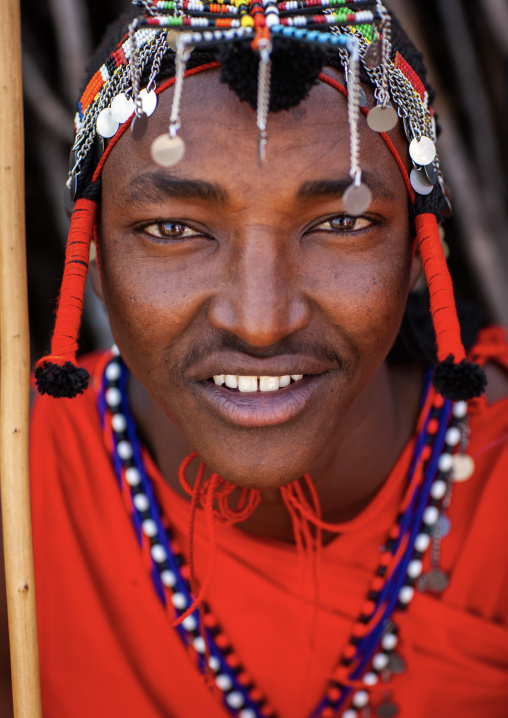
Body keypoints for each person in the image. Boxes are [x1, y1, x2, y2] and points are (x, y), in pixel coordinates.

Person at [29, 1, 508, 716]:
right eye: (171, 227)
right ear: (93, 255)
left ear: (418, 250)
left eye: (341, 223)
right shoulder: (22, 487)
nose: (260, 321)